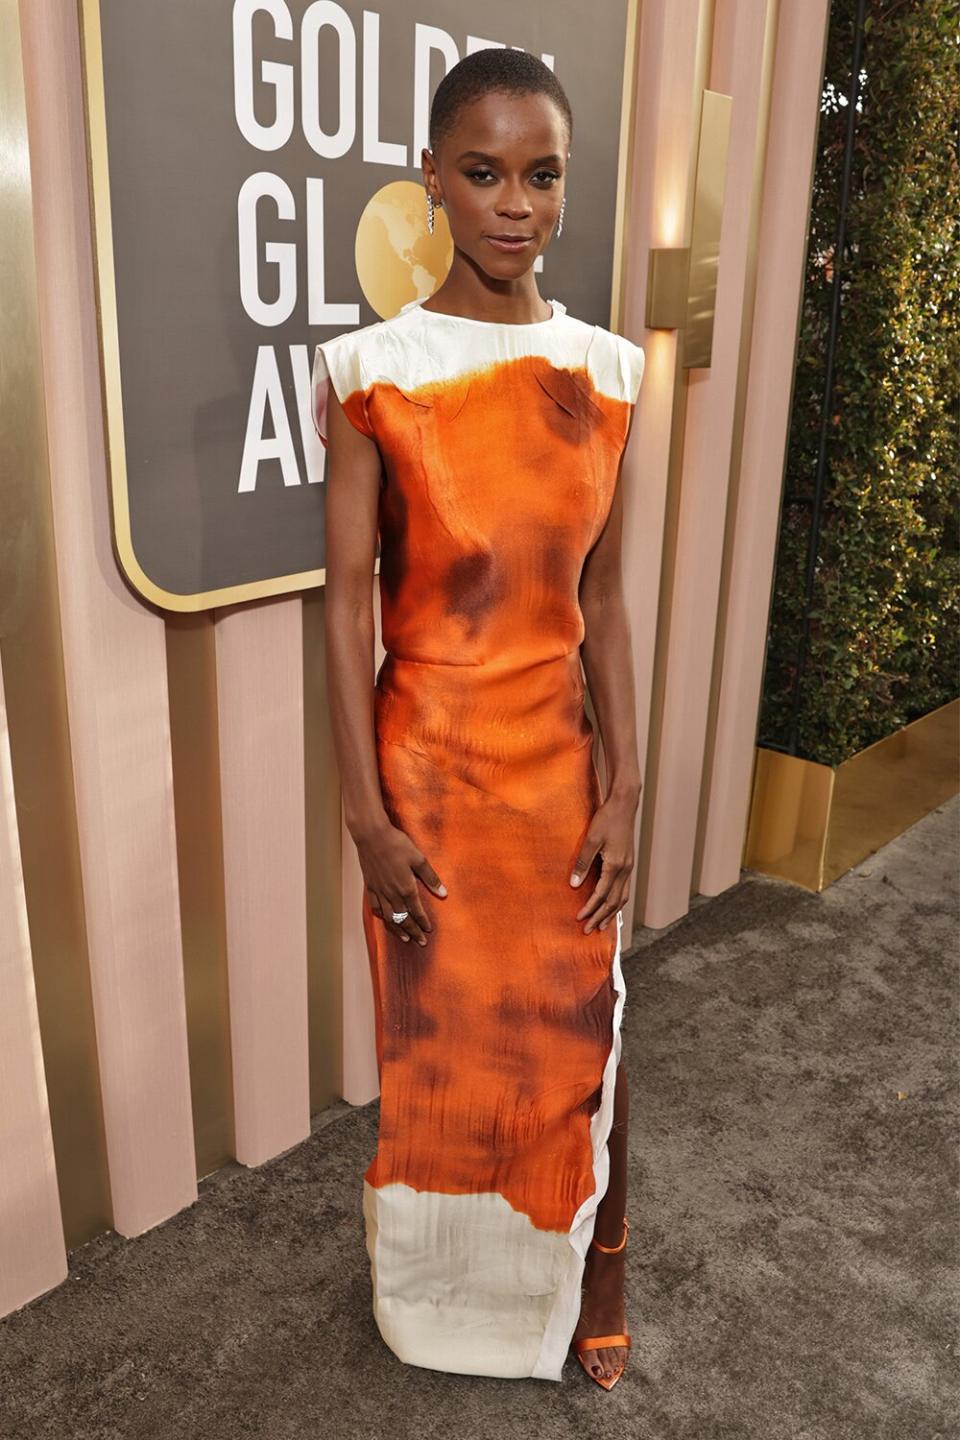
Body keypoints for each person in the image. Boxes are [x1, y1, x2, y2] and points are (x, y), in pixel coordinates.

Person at [312, 47, 645, 1390]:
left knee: (583, 1036)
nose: (517, 203)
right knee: (441, 1059)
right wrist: (364, 819)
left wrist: (631, 787)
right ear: (434, 179)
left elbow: (605, 605)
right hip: (430, 790)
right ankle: (438, 1300)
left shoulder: (609, 374)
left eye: (543, 173)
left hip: (562, 784)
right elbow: (345, 606)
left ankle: (586, 1283)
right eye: (486, 171)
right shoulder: (369, 370)